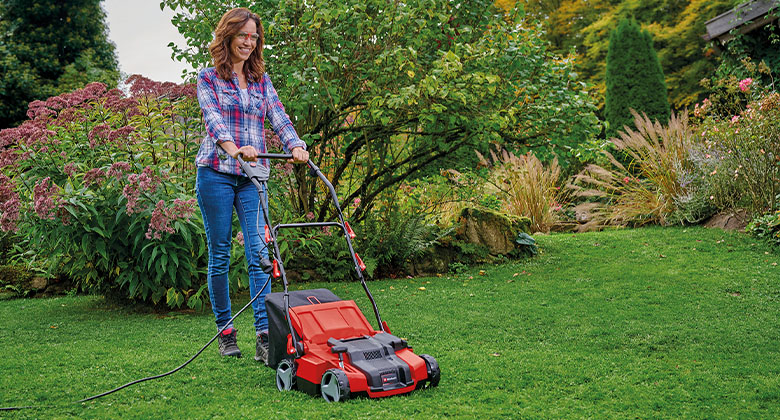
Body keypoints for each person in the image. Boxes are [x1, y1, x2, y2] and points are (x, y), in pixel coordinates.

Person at [195, 7, 309, 362]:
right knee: (220, 254)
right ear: (227, 36)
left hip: (252, 178)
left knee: (260, 254)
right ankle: (226, 331)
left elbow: (277, 113)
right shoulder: (209, 77)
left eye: (254, 36)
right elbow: (213, 120)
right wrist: (234, 149)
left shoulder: (261, 78)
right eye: (243, 35)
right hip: (215, 171)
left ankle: (264, 335)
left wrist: (296, 145)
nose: (249, 42)